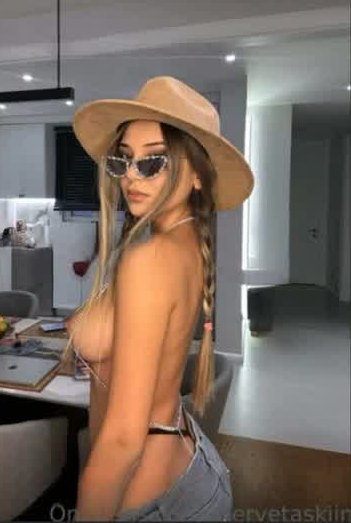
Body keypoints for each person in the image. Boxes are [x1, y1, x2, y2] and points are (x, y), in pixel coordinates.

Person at [59, 76, 254, 521]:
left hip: (153, 496)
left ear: (198, 175)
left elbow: (123, 439)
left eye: (153, 162)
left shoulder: (149, 259)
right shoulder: (184, 242)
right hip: (185, 465)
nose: (131, 175)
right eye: (124, 159)